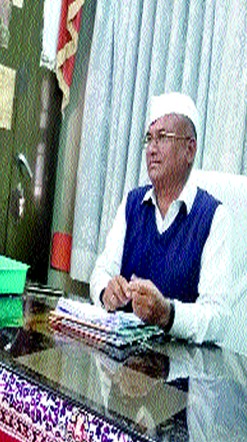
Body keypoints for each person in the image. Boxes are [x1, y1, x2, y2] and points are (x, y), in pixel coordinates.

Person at [89, 92, 231, 344]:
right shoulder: (132, 203)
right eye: (149, 138)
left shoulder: (213, 217)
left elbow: (218, 318)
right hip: (123, 357)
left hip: (177, 364)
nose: (151, 149)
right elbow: (101, 271)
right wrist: (106, 292)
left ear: (190, 149)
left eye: (162, 137)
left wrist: (168, 314)